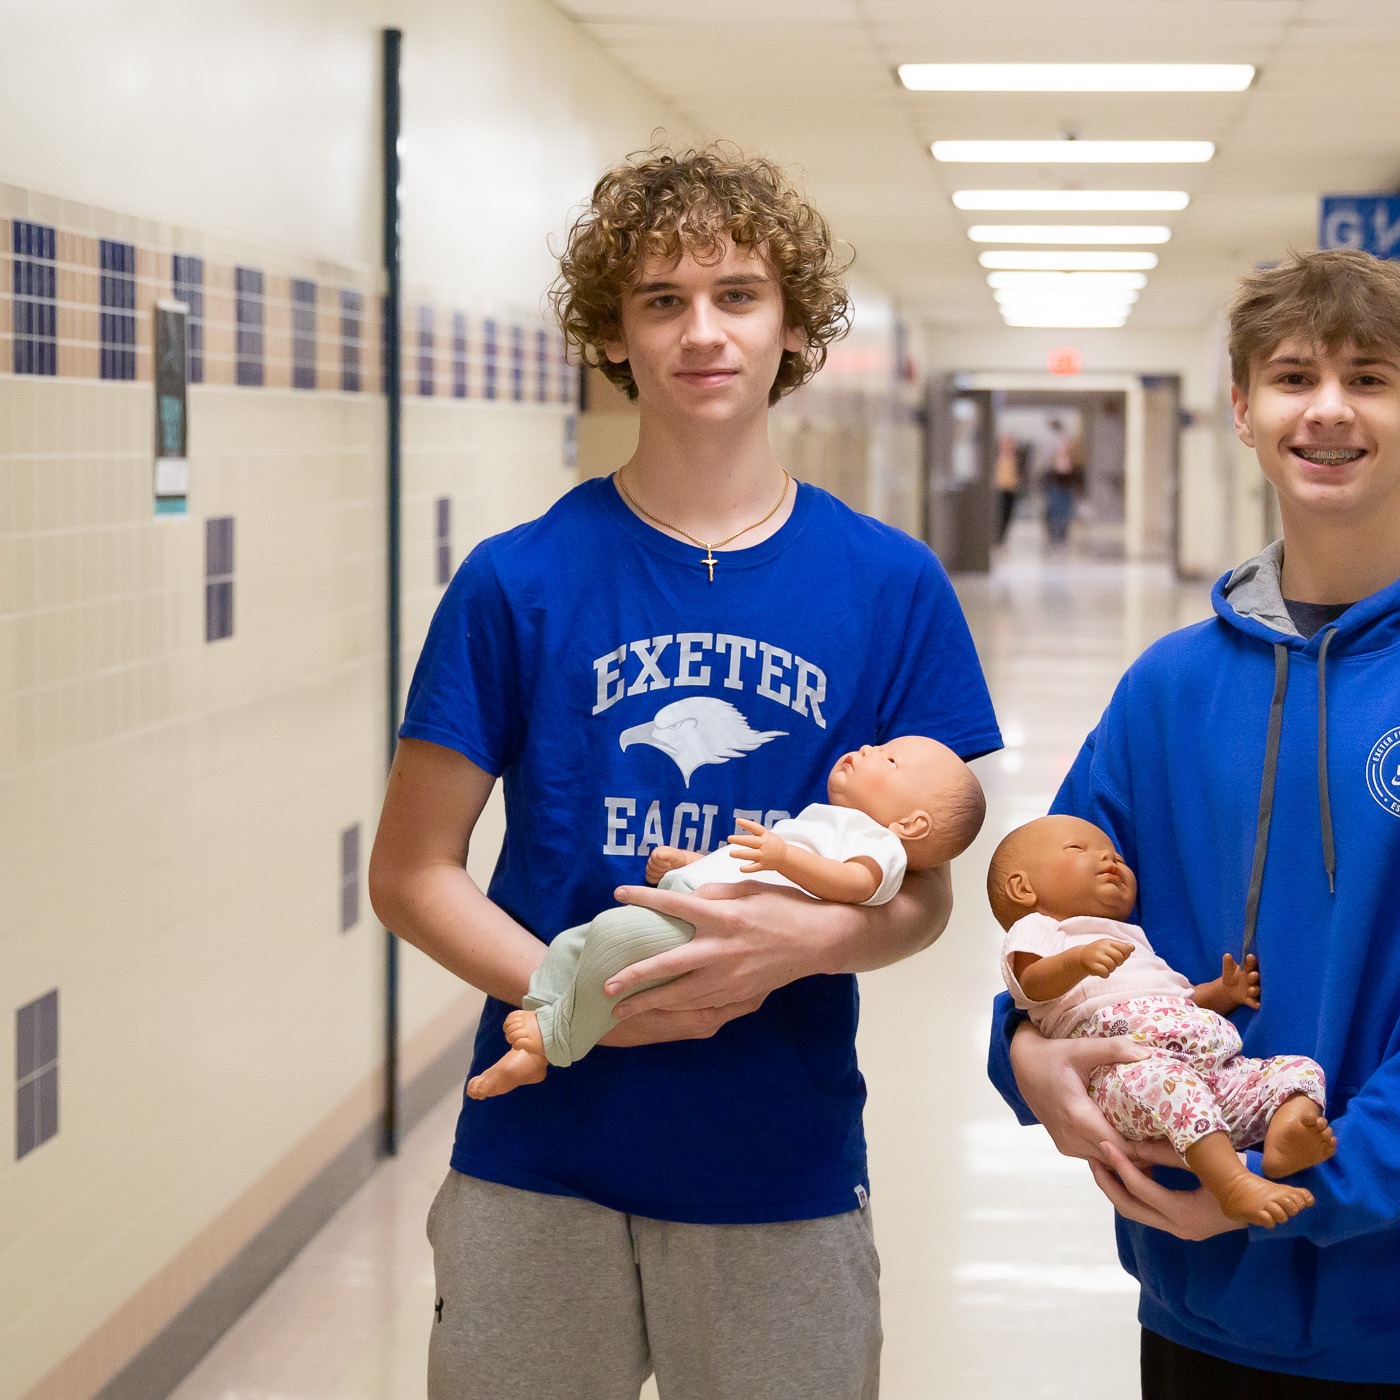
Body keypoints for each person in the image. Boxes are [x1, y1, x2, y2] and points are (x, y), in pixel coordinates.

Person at [369, 145, 1001, 1400]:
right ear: (616, 332)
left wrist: (790, 947)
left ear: (793, 327)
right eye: (663, 300)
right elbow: (411, 871)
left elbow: (920, 892)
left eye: (737, 295)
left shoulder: (890, 585)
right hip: (543, 1148)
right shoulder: (518, 577)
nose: (701, 332)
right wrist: (567, 985)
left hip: (777, 1154)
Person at [986, 248, 1400, 1396]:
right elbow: (1053, 912)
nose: (1328, 407)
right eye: (1293, 376)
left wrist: (1298, 1185)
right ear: (1243, 412)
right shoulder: (1170, 686)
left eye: (1368, 377)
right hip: (1199, 1298)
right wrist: (1025, 1055)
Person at [466, 736, 985, 1099]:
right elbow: (759, 878)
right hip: (696, 899)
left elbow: (857, 885)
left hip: (710, 928)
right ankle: (535, 1030)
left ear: (911, 823)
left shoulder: (879, 845)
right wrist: (695, 864)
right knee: (568, 946)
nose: (871, 749)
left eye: (891, 762)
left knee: (609, 938)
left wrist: (785, 857)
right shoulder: (830, 823)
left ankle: (555, 1040)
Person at [989, 814, 1334, 1228]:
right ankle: (1233, 1184)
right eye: (1078, 849)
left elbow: (1179, 997)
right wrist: (1077, 961)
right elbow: (1031, 983)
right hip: (1129, 1073)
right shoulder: (1041, 930)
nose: (1108, 856)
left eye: (1115, 853)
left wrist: (1223, 994)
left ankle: (1284, 1138)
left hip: (1214, 1072)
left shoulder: (1130, 937)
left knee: (1296, 1070)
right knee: (1174, 1086)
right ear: (1023, 888)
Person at [1042, 416, 1085, 547]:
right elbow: (1047, 474)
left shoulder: (1072, 457)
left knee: (1065, 512)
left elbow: (1077, 474)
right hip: (1055, 486)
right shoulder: (1052, 455)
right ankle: (1054, 535)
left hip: (1067, 487)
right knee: (1054, 511)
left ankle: (1062, 536)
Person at [993, 430, 1023, 544]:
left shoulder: (1017, 457)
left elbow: (1019, 472)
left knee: (1007, 513)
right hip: (999, 488)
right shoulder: (996, 456)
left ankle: (1002, 537)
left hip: (1011, 488)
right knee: (998, 513)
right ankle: (997, 536)